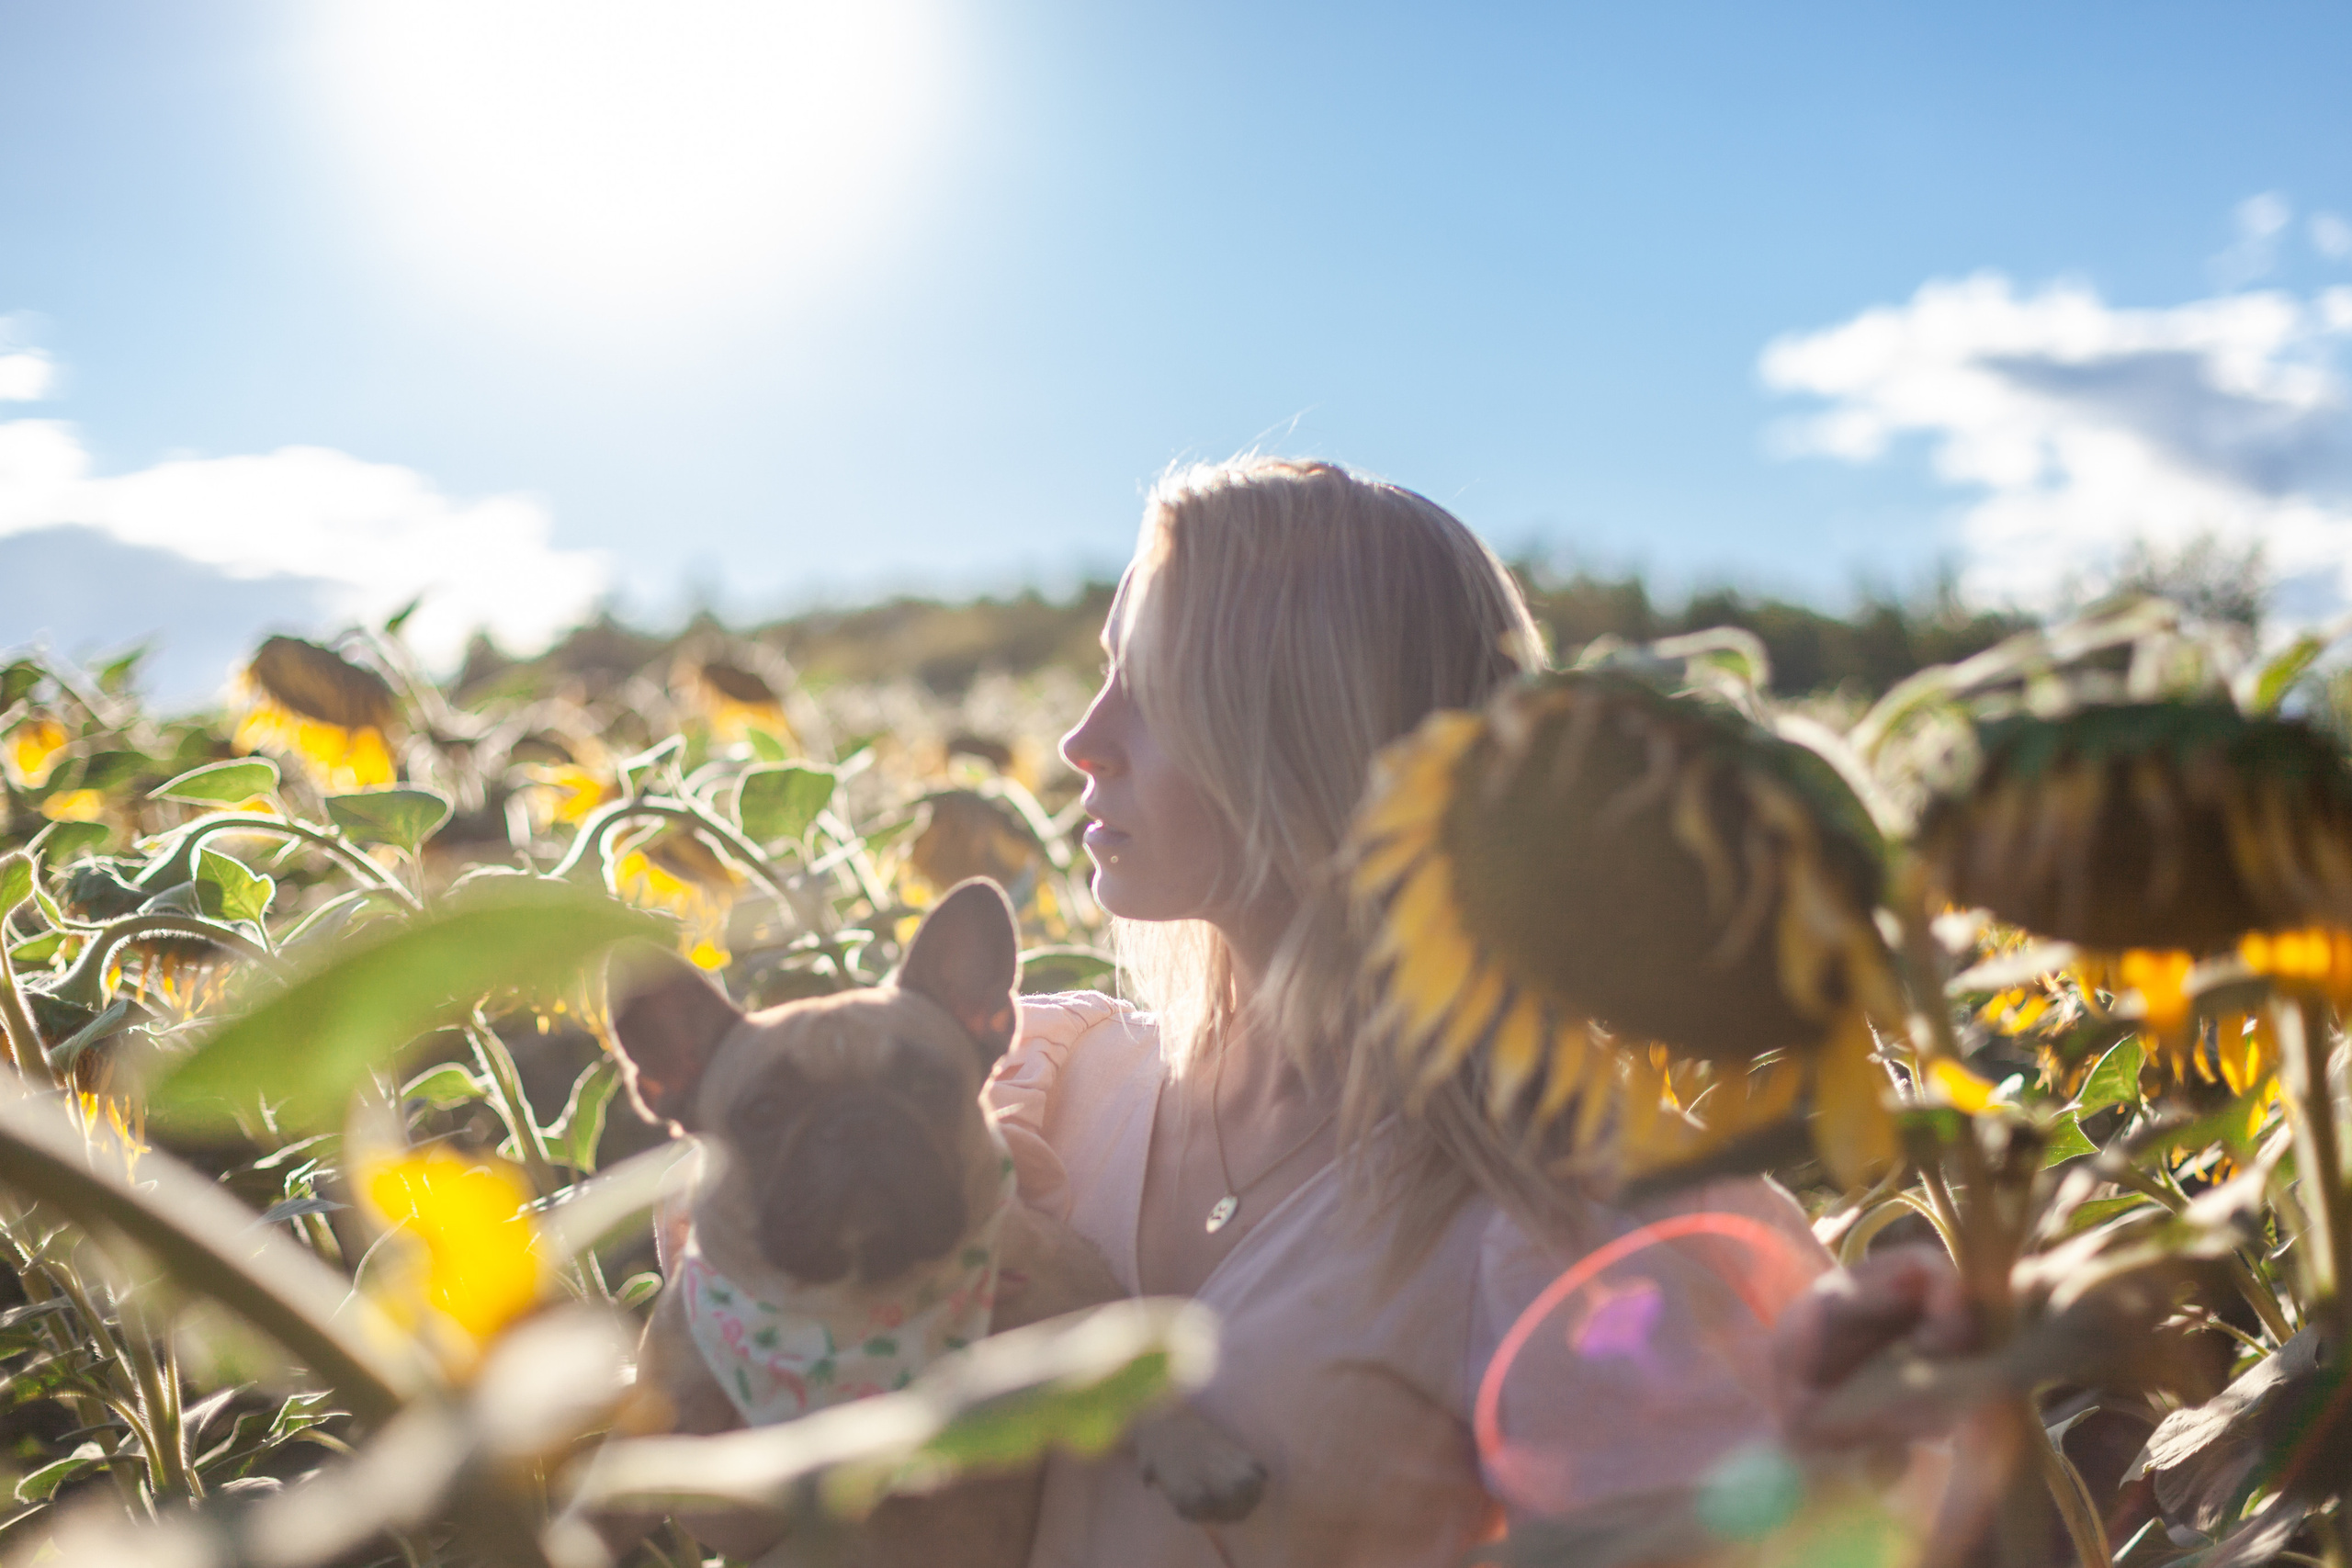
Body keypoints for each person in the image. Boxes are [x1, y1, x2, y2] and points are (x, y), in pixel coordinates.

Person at [984, 456, 1833, 1567]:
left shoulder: (1558, 1227)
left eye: (1154, 686)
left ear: (1309, 730)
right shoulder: (1046, 1089)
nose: (1082, 740)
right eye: (1105, 675)